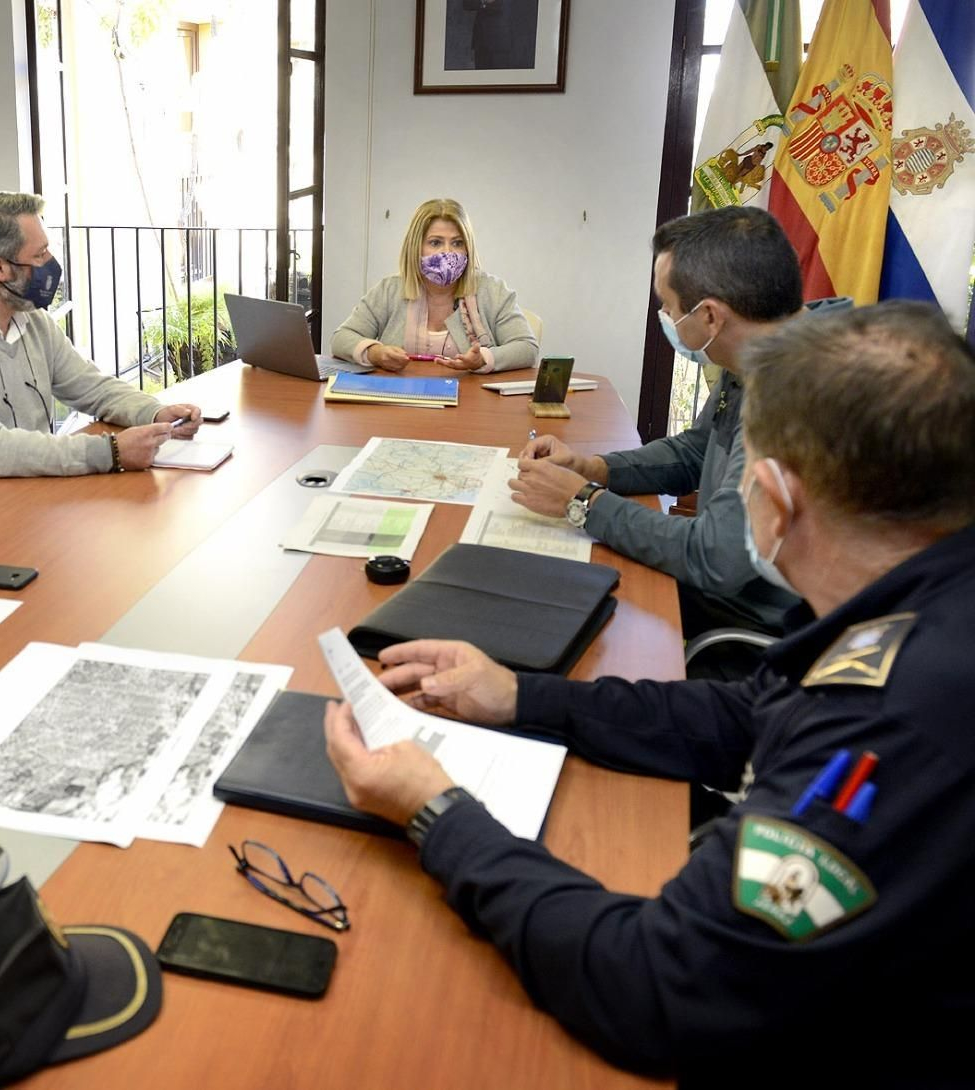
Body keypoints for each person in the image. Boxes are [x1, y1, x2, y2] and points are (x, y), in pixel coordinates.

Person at [324, 302, 975, 1085]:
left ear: (776, 496)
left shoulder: (892, 721)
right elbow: (748, 711)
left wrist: (436, 811)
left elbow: (657, 987)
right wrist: (519, 697)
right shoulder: (924, 602)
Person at [512, 205, 849, 639]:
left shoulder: (801, 393)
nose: (667, 320)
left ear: (710, 316)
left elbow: (715, 557)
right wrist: (593, 469)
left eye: (669, 308)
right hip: (731, 592)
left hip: (760, 627)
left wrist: (582, 502)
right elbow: (696, 449)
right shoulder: (764, 346)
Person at [0, 192, 201, 515]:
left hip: (18, 499)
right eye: (40, 254)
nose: (51, 264)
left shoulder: (30, 320)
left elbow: (93, 387)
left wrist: (154, 413)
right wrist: (112, 452)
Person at [330, 198, 537, 376]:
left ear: (468, 248)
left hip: (470, 406)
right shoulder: (389, 290)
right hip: (400, 402)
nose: (447, 253)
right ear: (416, 247)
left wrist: (483, 358)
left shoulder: (492, 290)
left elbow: (527, 347)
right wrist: (375, 353)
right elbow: (341, 339)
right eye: (436, 243)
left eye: (457, 243)